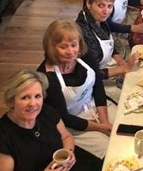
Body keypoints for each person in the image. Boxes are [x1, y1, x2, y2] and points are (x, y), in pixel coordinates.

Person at [38, 19, 112, 159]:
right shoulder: (47, 78)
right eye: (63, 47)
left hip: (96, 105)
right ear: (51, 48)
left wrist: (104, 120)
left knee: (125, 126)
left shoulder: (84, 55)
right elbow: (64, 118)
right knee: (110, 150)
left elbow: (98, 86)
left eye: (74, 45)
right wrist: (101, 128)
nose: (71, 52)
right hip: (74, 124)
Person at [77, 0, 140, 81]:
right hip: (96, 82)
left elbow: (110, 46)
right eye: (101, 6)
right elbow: (94, 73)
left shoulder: (99, 19)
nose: (106, 11)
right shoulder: (84, 32)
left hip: (109, 65)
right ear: (88, 3)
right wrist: (124, 68)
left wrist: (121, 62)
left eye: (109, 6)